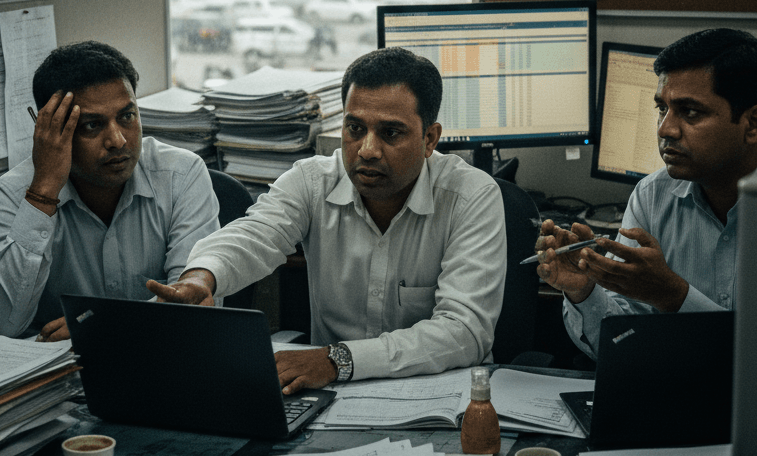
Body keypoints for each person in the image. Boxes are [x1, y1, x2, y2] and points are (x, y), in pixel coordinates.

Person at [149, 47, 507, 393]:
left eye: (390, 132)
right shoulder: (312, 181)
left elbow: (464, 332)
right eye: (354, 129)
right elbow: (253, 235)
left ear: (430, 138)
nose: (367, 150)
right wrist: (200, 277)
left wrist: (338, 360)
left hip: (439, 398)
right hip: (332, 398)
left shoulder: (470, 196)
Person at [537, 28, 757, 359]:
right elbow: (623, 345)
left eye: (690, 111)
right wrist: (584, 290)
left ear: (753, 123)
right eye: (662, 109)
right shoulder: (653, 196)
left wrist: (674, 297)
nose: (665, 129)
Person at [0, 40, 220, 340]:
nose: (118, 140)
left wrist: (109, 324)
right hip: (54, 374)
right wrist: (45, 190)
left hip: (158, 359)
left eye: (127, 116)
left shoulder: (181, 175)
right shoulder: (14, 193)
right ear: (50, 130)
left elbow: (192, 302)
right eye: (92, 125)